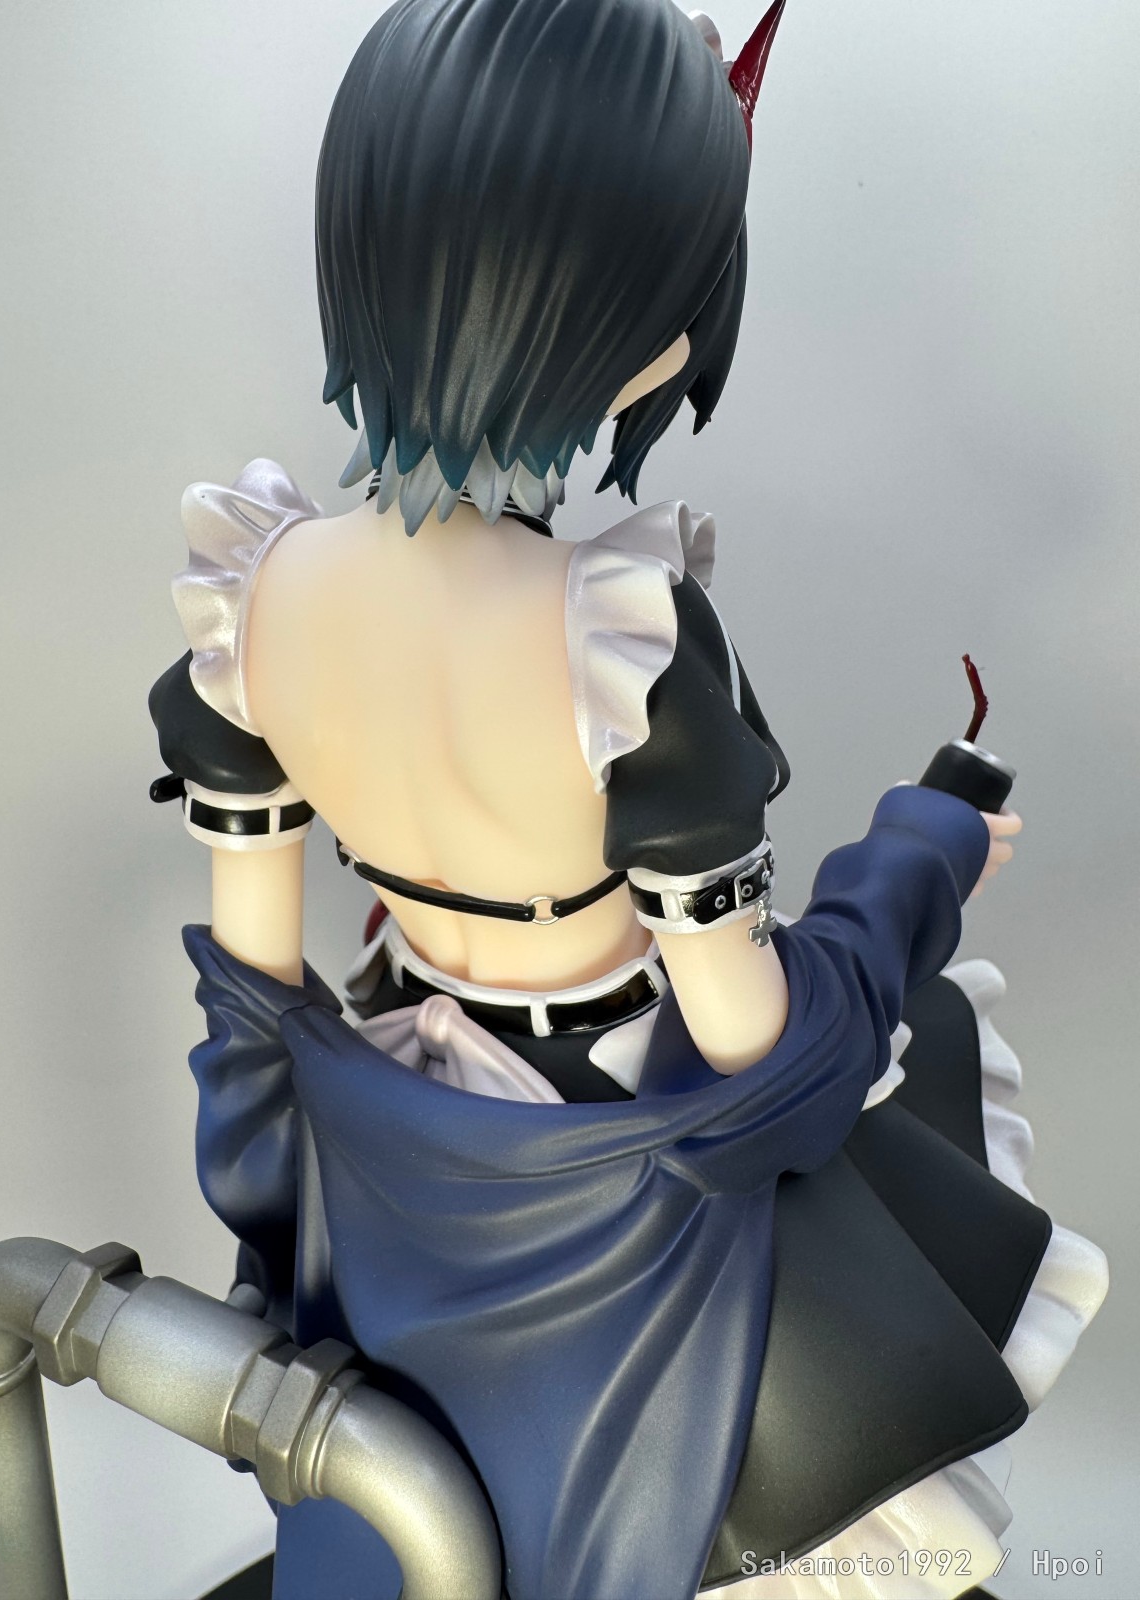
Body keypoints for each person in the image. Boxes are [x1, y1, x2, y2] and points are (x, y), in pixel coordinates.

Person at [149, 2, 1106, 1595]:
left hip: (393, 1171)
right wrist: (914, 861)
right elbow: (760, 1061)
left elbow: (256, 1024)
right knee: (920, 1057)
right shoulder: (622, 636)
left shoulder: (255, 590)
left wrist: (307, 1223)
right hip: (621, 1197)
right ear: (647, 313)